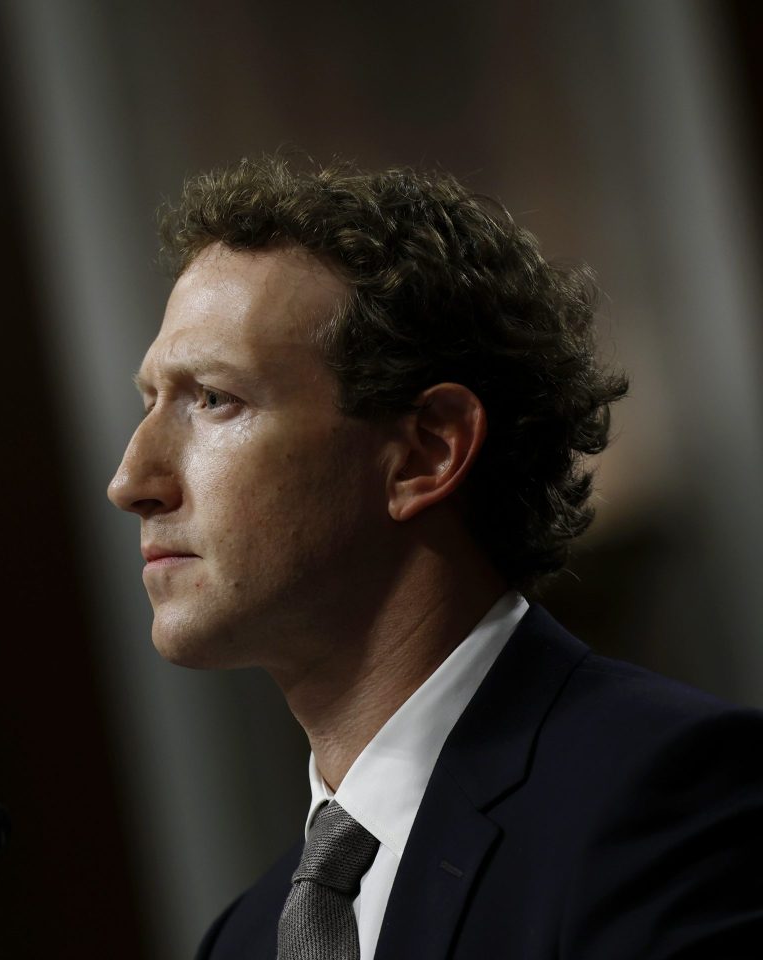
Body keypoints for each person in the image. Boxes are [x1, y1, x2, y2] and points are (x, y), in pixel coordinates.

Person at [106, 156, 763, 959]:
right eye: (150, 403)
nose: (131, 481)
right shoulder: (239, 941)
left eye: (215, 398)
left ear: (426, 451)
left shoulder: (667, 798)